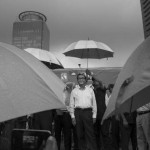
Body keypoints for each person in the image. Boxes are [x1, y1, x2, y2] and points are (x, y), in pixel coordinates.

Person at [69, 72, 97, 150]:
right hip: (78, 113)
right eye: (79, 78)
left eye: (82, 78)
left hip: (88, 113)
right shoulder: (74, 91)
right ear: (77, 80)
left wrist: (94, 115)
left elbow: (94, 103)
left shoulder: (90, 90)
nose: (81, 79)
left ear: (85, 80)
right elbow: (71, 105)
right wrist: (72, 117)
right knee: (79, 134)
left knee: (90, 134)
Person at [54, 81, 75, 150]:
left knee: (67, 135)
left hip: (66, 115)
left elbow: (72, 105)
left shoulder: (71, 93)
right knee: (57, 135)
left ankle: (67, 148)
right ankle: (57, 148)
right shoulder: (57, 92)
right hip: (58, 115)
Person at [102, 84, 120, 150]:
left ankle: (116, 146)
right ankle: (115, 146)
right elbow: (107, 105)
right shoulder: (109, 95)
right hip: (111, 115)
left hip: (116, 114)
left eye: (112, 88)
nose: (111, 89)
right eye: (111, 88)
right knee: (113, 132)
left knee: (115, 132)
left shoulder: (117, 95)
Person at [92, 77, 107, 150]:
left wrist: (95, 76)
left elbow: (101, 83)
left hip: (102, 115)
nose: (95, 82)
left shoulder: (102, 90)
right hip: (94, 116)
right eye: (94, 81)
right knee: (96, 134)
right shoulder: (91, 91)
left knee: (104, 134)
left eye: (96, 81)